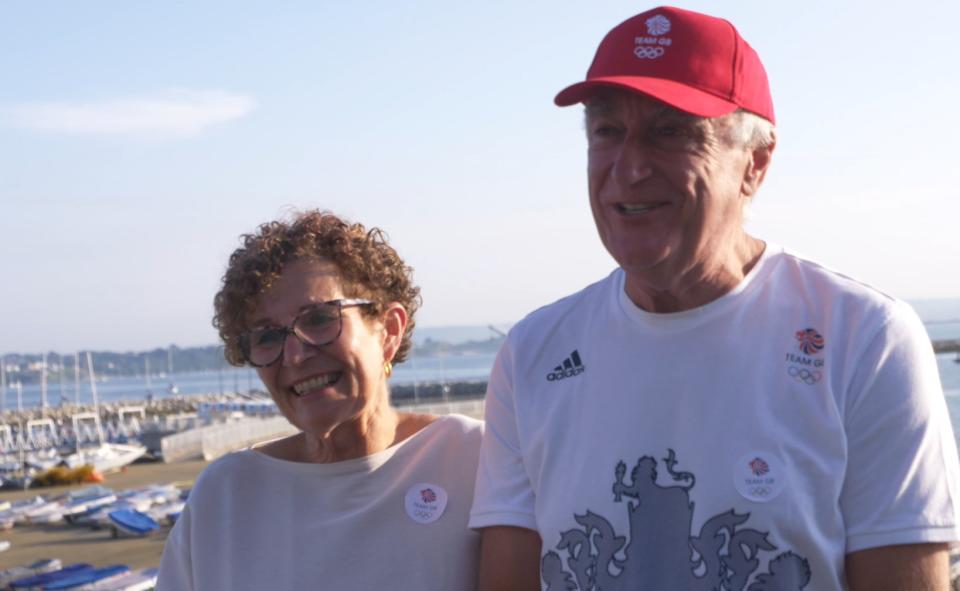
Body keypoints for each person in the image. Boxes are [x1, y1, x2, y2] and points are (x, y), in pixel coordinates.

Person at [469, 6, 960, 590]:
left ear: (754, 163)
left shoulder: (865, 338)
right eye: (606, 131)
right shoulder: (533, 352)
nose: (628, 168)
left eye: (670, 130)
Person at [158, 210, 483, 590]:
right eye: (266, 337)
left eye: (318, 319)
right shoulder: (225, 497)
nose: (294, 355)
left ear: (389, 331)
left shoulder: (475, 457)